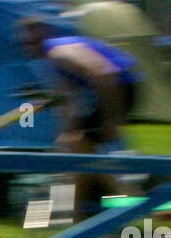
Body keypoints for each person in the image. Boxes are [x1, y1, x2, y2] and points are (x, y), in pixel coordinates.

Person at [16, 18, 138, 217]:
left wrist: (111, 119)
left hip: (120, 85)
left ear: (43, 37)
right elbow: (68, 101)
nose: (28, 48)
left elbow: (104, 73)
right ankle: (82, 210)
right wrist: (64, 133)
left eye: (32, 42)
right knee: (75, 144)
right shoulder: (52, 61)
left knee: (81, 146)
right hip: (114, 85)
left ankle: (118, 203)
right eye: (24, 44)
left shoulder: (59, 53)